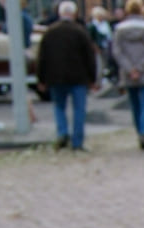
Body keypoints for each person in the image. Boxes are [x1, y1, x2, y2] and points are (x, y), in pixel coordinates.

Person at [39, 0, 99, 150]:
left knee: (59, 106)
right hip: (79, 77)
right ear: (74, 14)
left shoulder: (50, 32)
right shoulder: (81, 32)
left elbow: (42, 57)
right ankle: (77, 142)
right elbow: (89, 57)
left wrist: (41, 78)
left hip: (55, 76)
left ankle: (62, 132)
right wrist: (93, 78)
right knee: (79, 109)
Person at [111, 0, 144, 150]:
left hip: (128, 73)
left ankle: (139, 130)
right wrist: (141, 67)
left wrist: (130, 68)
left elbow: (117, 51)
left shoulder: (119, 29)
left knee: (135, 105)